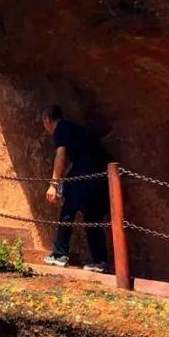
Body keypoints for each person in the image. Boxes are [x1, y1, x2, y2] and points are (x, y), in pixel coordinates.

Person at [40, 105, 109, 271]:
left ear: (47, 120)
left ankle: (59, 254)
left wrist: (54, 185)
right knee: (92, 218)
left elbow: (60, 155)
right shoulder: (76, 130)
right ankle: (100, 261)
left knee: (67, 211)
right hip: (101, 175)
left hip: (85, 173)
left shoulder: (61, 129)